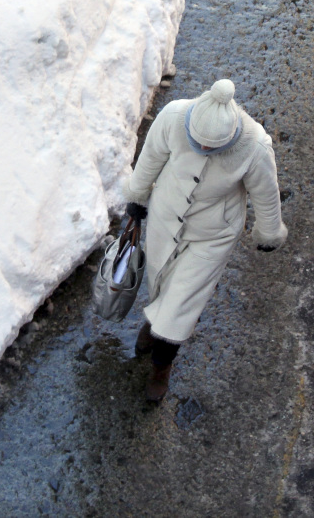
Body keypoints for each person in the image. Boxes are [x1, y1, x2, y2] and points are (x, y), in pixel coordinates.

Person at [123, 78, 287, 402]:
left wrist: (269, 231)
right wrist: (137, 197)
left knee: (182, 302)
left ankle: (161, 366)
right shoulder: (173, 116)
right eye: (200, 145)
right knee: (158, 280)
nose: (206, 151)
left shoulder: (254, 146)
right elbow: (151, 158)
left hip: (213, 236)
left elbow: (266, 194)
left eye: (214, 147)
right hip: (165, 216)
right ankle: (155, 321)